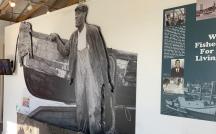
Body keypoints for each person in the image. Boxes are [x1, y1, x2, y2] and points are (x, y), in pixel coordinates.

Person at [49, 4, 113, 134]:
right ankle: (81, 131)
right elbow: (65, 51)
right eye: (75, 16)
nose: (76, 19)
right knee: (80, 106)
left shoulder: (94, 31)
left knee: (94, 107)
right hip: (79, 74)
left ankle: (95, 131)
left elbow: (102, 56)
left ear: (84, 15)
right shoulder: (74, 36)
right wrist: (56, 39)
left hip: (93, 73)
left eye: (78, 16)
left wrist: (107, 81)